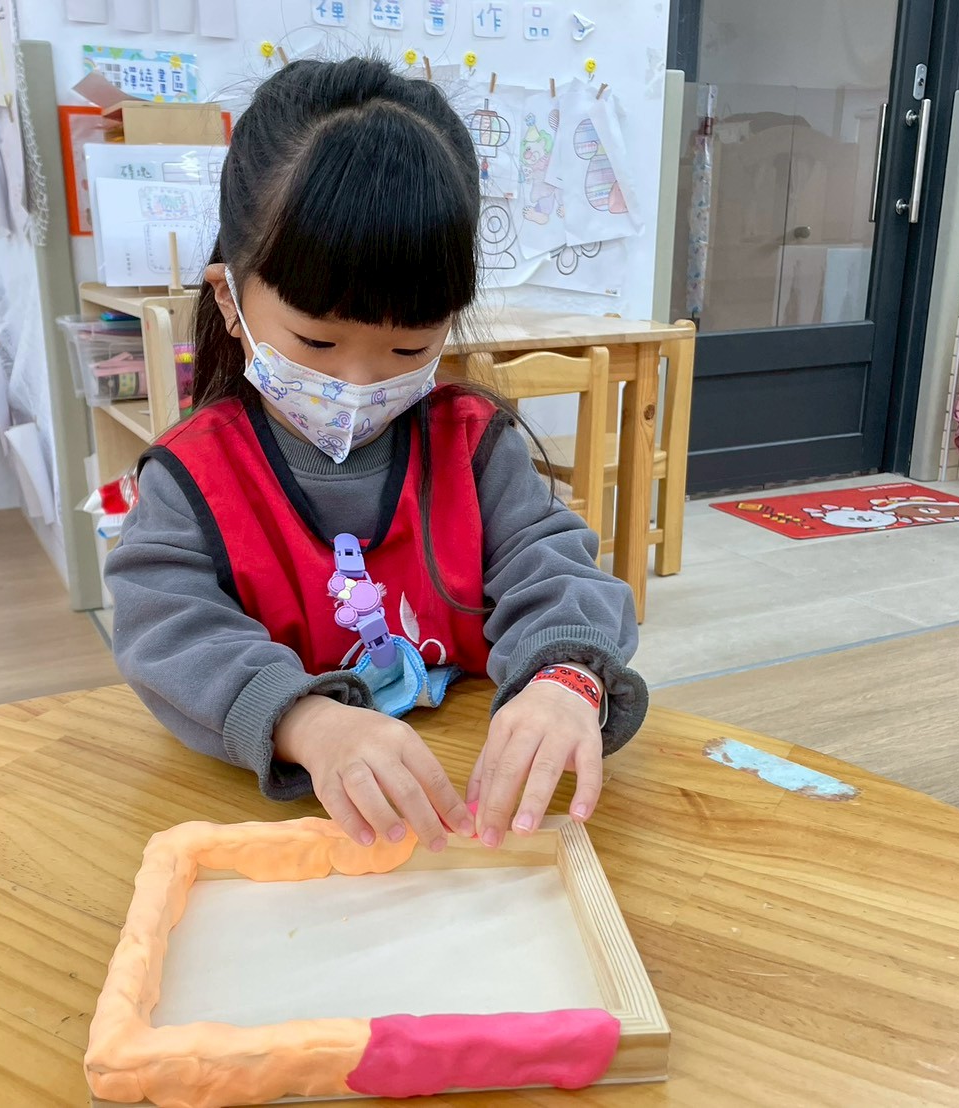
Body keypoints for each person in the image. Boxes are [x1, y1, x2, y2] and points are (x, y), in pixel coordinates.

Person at [107, 57, 646, 856]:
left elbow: (553, 569)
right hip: (278, 819)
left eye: (408, 348)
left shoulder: (471, 447)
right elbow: (167, 628)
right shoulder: (195, 478)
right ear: (229, 298)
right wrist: (303, 720)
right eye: (316, 342)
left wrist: (565, 677)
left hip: (462, 806)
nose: (358, 383)